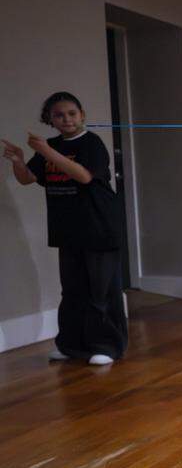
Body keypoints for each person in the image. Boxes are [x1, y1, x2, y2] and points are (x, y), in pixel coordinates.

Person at [3, 92, 127, 366]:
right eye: (59, 115)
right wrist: (19, 161)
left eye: (72, 113)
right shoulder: (51, 145)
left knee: (100, 291)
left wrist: (46, 151)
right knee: (72, 291)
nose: (66, 119)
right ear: (50, 119)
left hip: (99, 226)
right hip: (68, 229)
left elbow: (83, 176)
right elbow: (28, 179)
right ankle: (70, 345)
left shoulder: (91, 143)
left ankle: (106, 345)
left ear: (82, 115)